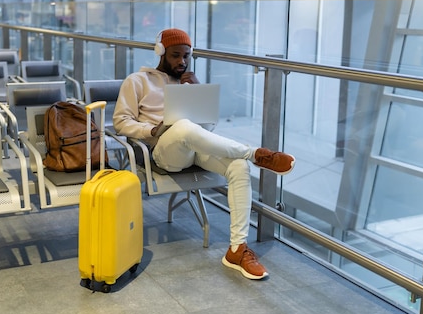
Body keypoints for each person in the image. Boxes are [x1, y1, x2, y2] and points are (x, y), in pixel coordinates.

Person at [113, 28, 296, 280]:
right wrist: (152, 128)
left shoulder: (189, 82)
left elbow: (209, 131)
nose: (182, 62)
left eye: (186, 56)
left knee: (239, 167)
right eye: (176, 56)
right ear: (162, 53)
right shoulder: (137, 81)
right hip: (163, 154)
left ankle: (237, 250)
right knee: (184, 126)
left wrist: (197, 92)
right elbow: (120, 122)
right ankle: (255, 153)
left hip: (195, 147)